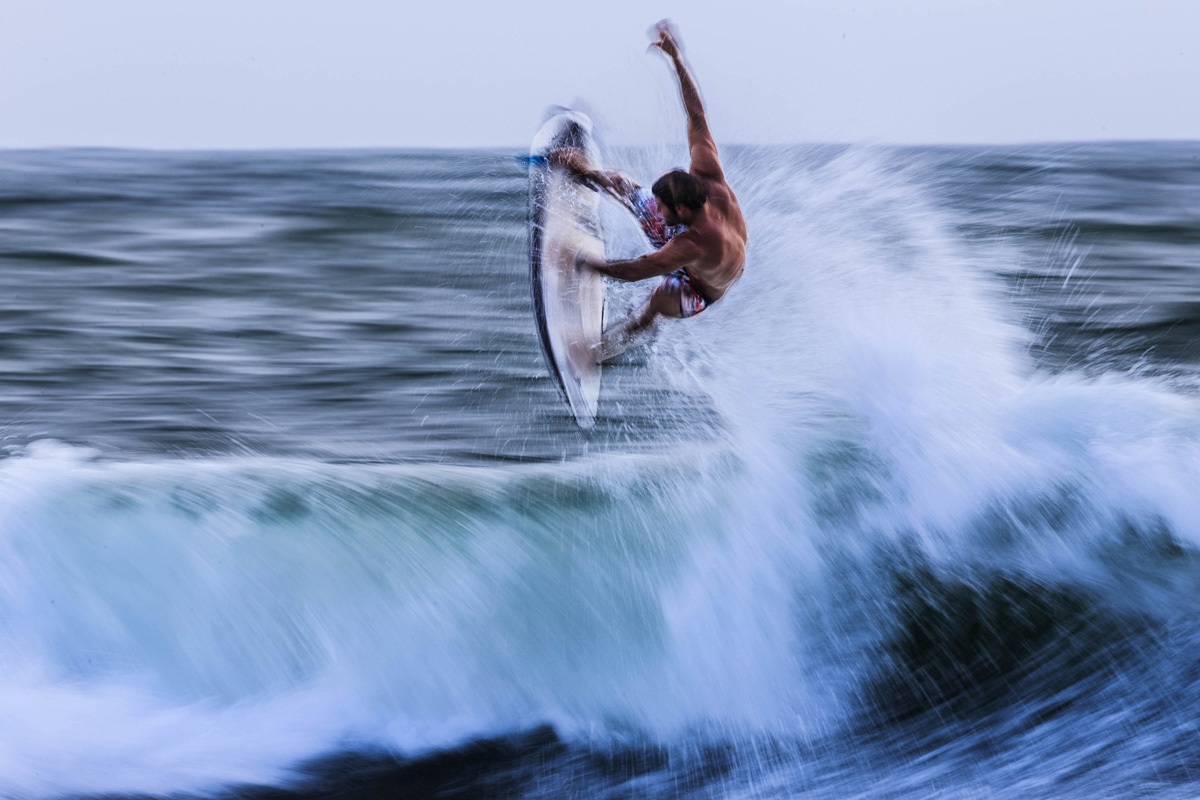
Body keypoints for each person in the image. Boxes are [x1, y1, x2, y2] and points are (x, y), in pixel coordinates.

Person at [552, 20, 748, 359]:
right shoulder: (706, 171)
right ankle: (581, 169)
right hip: (694, 240)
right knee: (625, 186)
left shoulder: (694, 243)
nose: (654, 209)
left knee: (658, 300)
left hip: (700, 288)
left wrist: (585, 263)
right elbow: (696, 114)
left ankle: (605, 350)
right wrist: (676, 58)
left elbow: (636, 270)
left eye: (661, 206)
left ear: (681, 210)